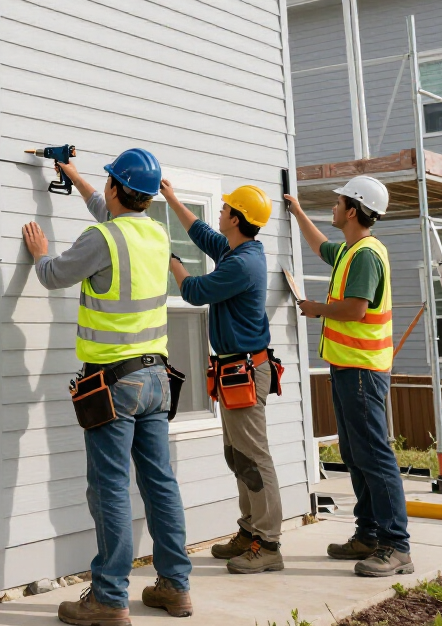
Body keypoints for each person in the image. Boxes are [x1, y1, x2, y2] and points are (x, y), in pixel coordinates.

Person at [22, 149, 193, 623]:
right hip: (157, 378)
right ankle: (175, 587)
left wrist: (39, 253)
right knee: (160, 483)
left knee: (111, 488)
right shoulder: (156, 234)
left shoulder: (102, 237)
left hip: (115, 384)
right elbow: (111, 212)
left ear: (117, 187)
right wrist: (73, 176)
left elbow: (55, 275)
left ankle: (110, 599)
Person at [285, 175, 413, 578]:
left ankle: (396, 546)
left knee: (374, 456)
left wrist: (315, 308)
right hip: (347, 368)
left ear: (353, 210)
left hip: (362, 371)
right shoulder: (348, 251)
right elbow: (320, 246)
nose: (334, 207)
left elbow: (356, 310)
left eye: (339, 202)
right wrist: (298, 212)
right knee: (356, 455)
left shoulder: (366, 256)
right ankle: (368, 534)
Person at [160, 180, 282, 573]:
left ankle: (269, 543)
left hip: (246, 370)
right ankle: (250, 532)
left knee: (254, 457)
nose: (221, 211)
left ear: (238, 218)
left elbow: (194, 291)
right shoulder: (237, 249)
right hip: (234, 370)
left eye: (226, 208)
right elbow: (203, 234)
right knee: (238, 455)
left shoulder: (243, 263)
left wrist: (170, 258)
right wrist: (173, 199)